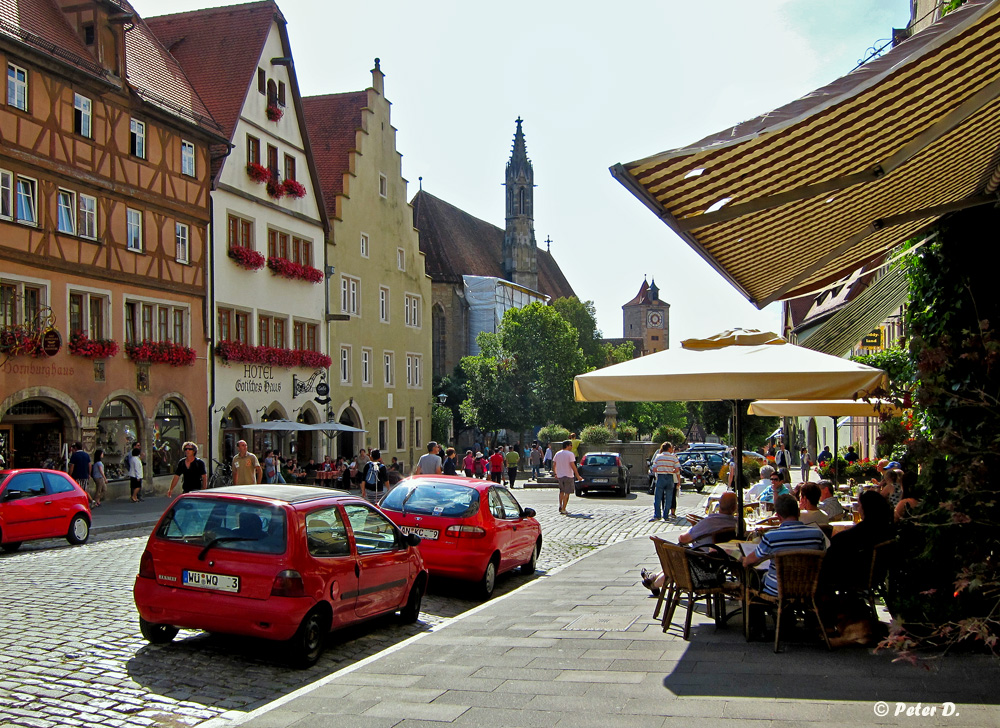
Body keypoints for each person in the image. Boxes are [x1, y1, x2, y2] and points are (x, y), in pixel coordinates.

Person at [640, 492, 739, 595]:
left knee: (678, 556)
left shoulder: (710, 522)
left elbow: (683, 538)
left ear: (719, 505)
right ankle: (653, 578)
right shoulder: (739, 524)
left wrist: (694, 531)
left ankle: (654, 584)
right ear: (734, 507)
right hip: (722, 565)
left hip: (700, 567)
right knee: (680, 555)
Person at [742, 493, 826, 596]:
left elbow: (749, 562)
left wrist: (742, 559)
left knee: (752, 577)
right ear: (799, 512)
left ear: (778, 516)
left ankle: (754, 610)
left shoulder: (771, 537)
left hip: (778, 590)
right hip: (809, 588)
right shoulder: (817, 535)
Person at [650, 442, 679, 522]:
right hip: (670, 478)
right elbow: (677, 469)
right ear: (669, 448)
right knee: (668, 498)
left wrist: (660, 469)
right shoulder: (673, 457)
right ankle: (666, 515)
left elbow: (654, 468)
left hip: (661, 477)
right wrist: (671, 470)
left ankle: (657, 515)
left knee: (658, 497)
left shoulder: (658, 457)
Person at [552, 440, 582, 515]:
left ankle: (560, 505)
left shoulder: (558, 453)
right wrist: (577, 475)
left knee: (561, 491)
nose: (572, 447)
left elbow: (554, 464)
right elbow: (572, 465)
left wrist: (555, 473)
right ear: (567, 446)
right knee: (567, 493)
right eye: (571, 445)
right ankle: (564, 509)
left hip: (560, 475)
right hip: (568, 475)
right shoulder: (570, 454)